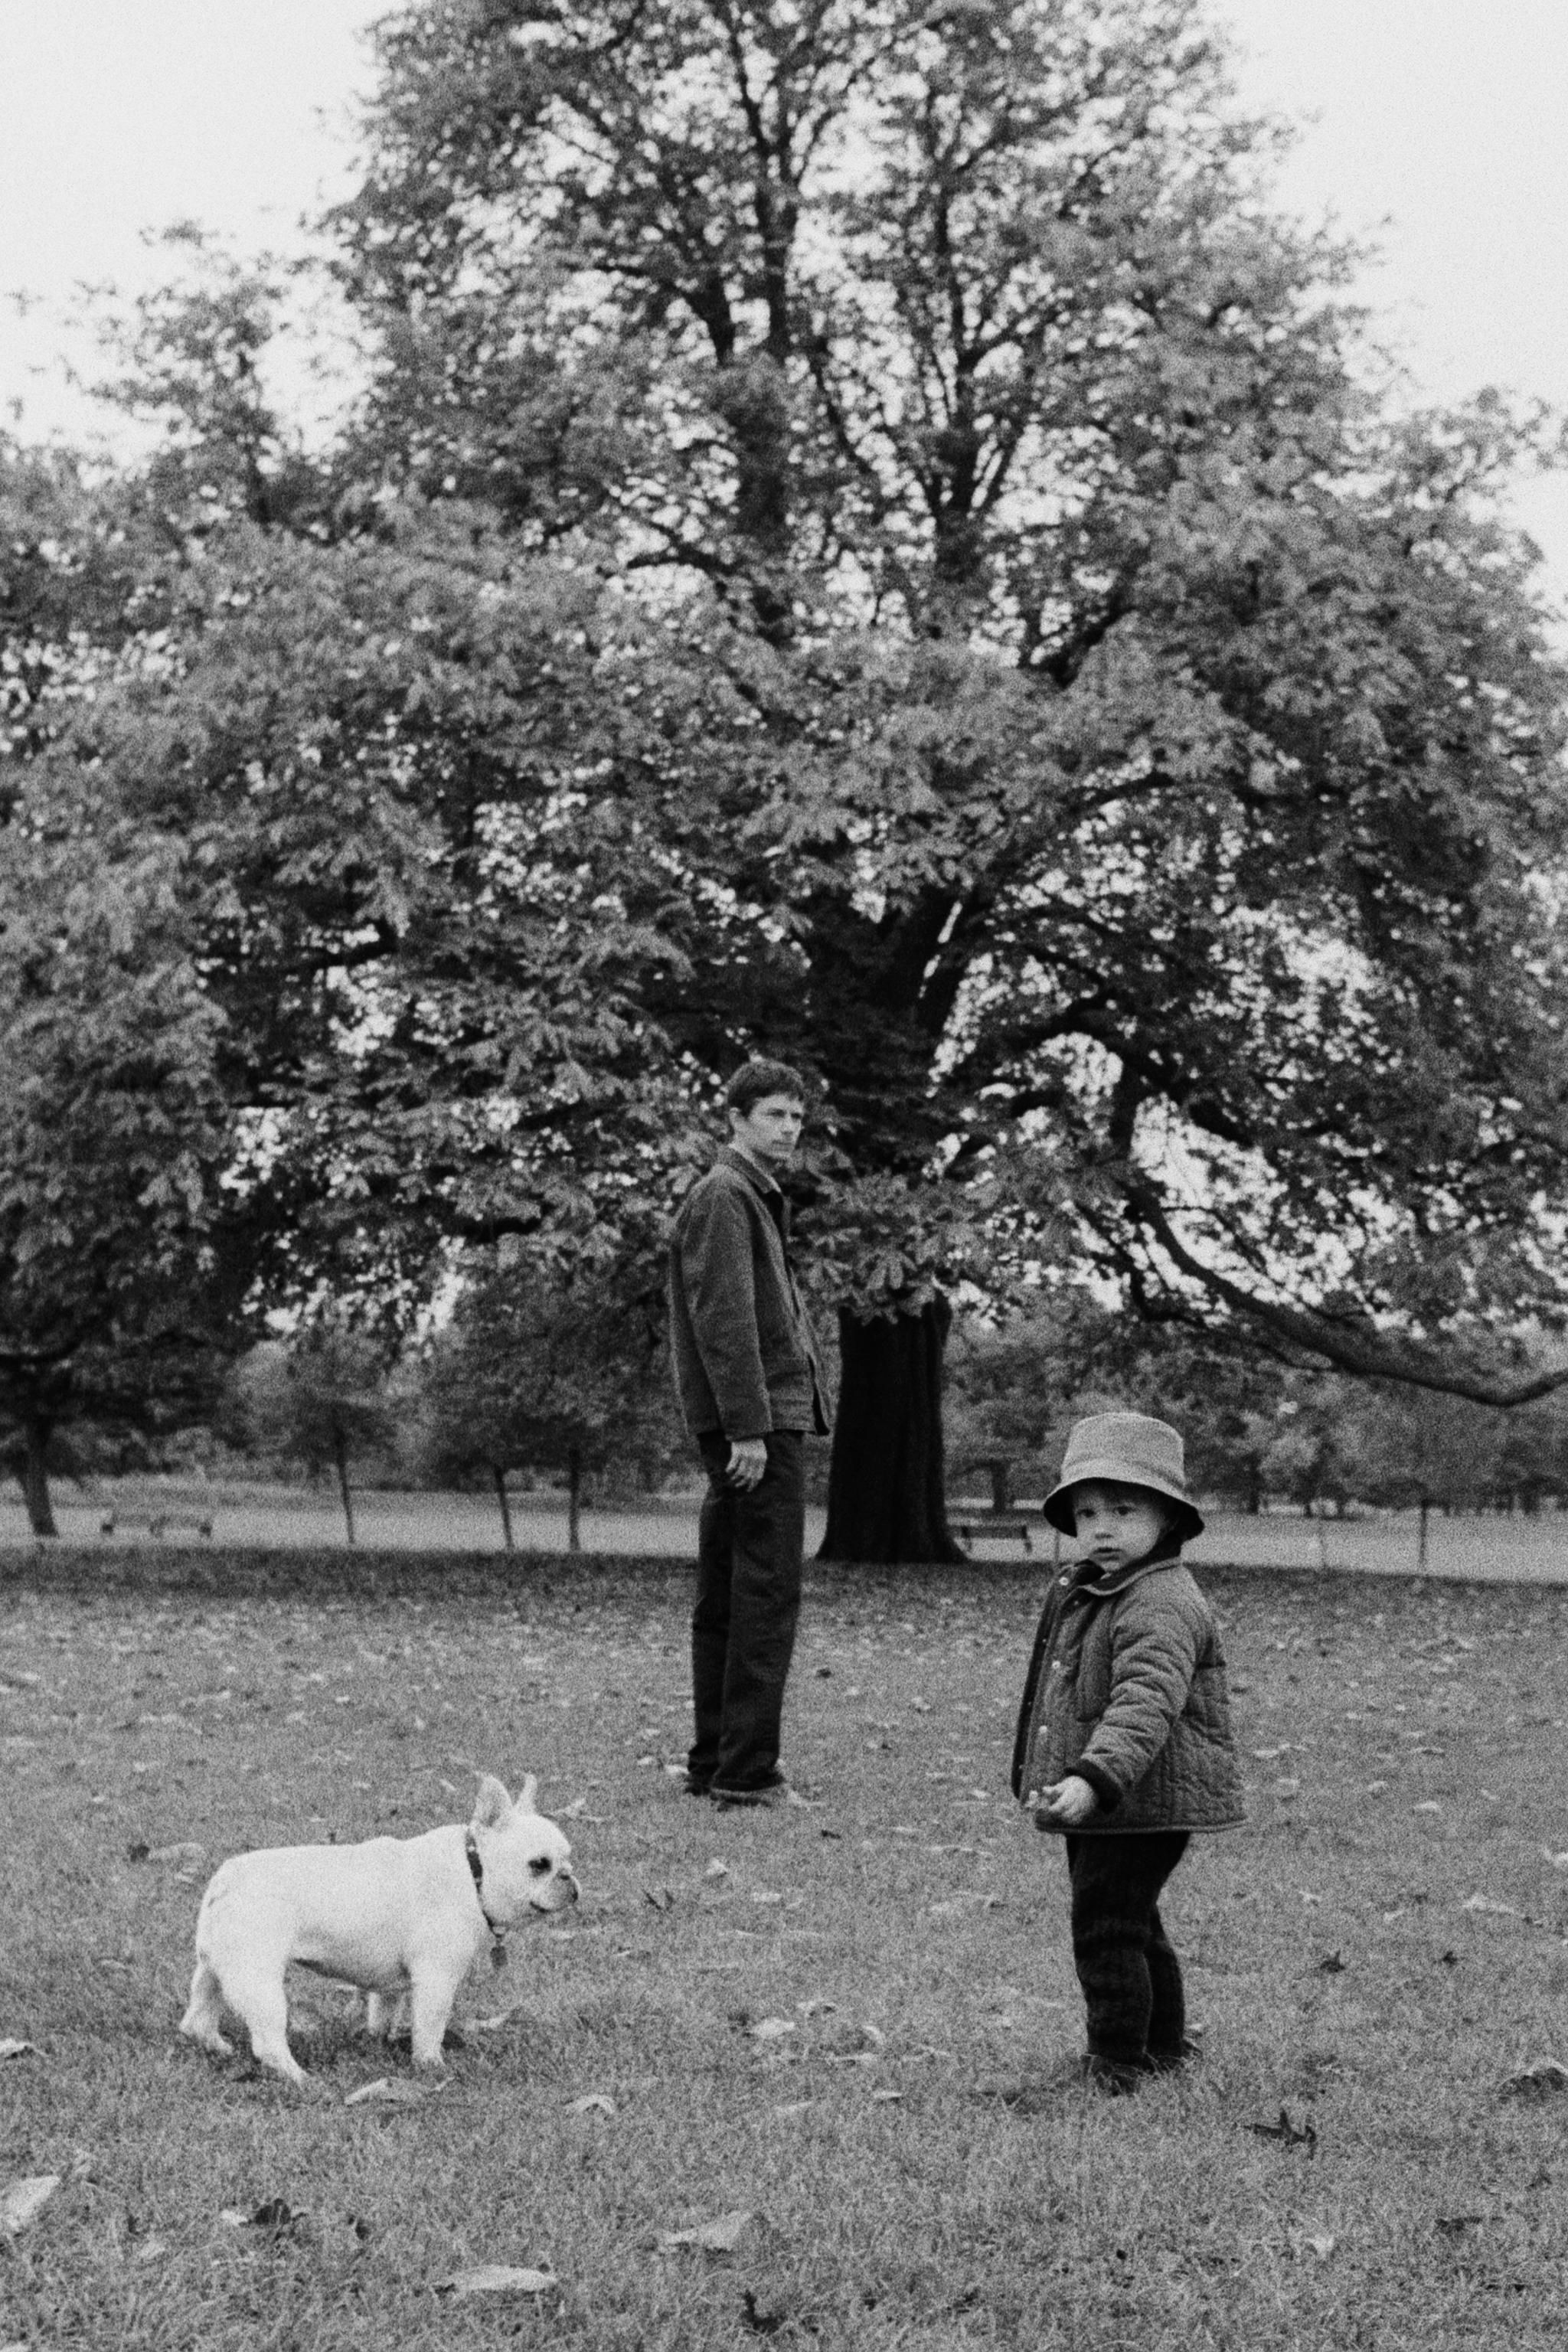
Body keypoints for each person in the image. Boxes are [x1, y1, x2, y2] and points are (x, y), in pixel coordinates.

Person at [1011, 1412, 1244, 2092]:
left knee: (1106, 1926)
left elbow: (1145, 1704)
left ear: (1168, 1516)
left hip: (1133, 1794)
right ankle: (1162, 2048)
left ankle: (1115, 2063)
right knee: (1134, 1921)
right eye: (1086, 1513)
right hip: (1122, 1797)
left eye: (1123, 1508)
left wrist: (1092, 1778)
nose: (1102, 1528)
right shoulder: (1101, 1588)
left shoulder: (1160, 1600)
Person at [668, 1060, 830, 1808]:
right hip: (756, 1426)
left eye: (796, 1117)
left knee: (731, 1597)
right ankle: (747, 1775)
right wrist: (749, 1427)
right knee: (763, 1596)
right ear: (734, 1118)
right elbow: (724, 1321)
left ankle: (715, 1763)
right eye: (773, 1114)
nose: (789, 1128)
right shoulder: (725, 1195)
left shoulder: (750, 1198)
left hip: (754, 1421)